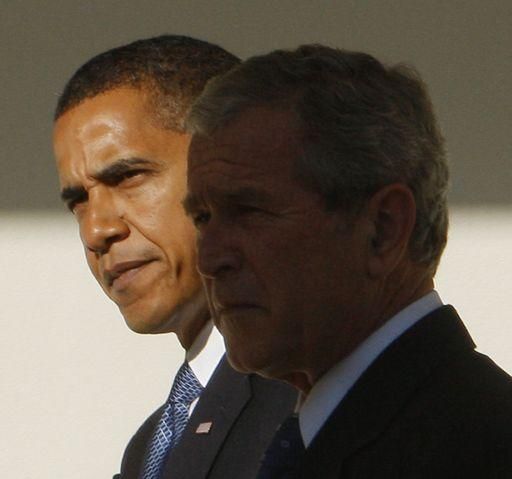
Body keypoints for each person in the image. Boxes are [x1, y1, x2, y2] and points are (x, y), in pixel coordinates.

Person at [184, 44, 512, 477]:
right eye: (202, 218)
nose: (209, 259)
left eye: (250, 211)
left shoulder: (473, 447)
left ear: (383, 229)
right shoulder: (328, 433)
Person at [52, 35, 296, 479]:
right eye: (78, 202)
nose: (96, 230)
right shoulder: (150, 446)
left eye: (128, 176)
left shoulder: (312, 394)